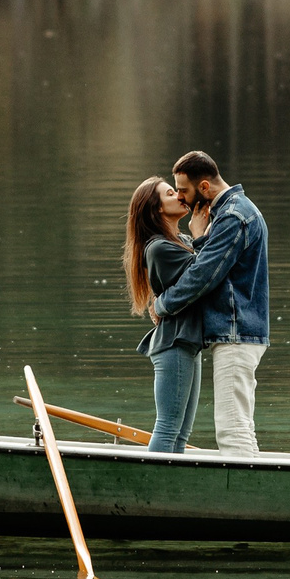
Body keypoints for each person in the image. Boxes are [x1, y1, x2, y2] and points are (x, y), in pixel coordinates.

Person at [151, 149, 269, 453]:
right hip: (238, 331)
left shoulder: (232, 216)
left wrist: (161, 305)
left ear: (204, 186)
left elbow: (203, 275)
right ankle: (252, 480)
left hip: (235, 331)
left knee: (232, 430)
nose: (180, 197)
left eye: (183, 190)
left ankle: (243, 484)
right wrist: (200, 237)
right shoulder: (233, 211)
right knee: (241, 426)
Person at [123, 177, 205, 452]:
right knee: (168, 427)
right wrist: (200, 234)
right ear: (157, 208)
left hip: (187, 341)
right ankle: (151, 477)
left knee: (181, 434)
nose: (180, 196)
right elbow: (203, 272)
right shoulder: (159, 247)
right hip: (174, 343)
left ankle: (171, 479)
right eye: (171, 193)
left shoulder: (180, 240)